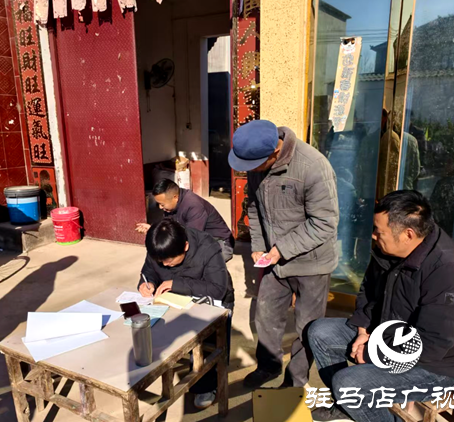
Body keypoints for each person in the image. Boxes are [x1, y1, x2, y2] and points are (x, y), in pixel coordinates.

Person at [308, 190, 454, 422]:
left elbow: (432, 344)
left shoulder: (449, 270)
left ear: (408, 234)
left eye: (379, 232)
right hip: (388, 334)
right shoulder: (389, 250)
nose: (373, 236)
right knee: (320, 332)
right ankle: (349, 406)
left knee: (348, 383)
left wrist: (372, 353)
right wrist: (363, 330)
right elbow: (369, 291)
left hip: (433, 367)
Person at [228, 119, 339, 388]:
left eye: (253, 165)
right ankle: (268, 367)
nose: (249, 171)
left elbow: (324, 223)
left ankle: (295, 381)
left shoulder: (313, 166)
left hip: (312, 264)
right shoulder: (257, 165)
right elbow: (254, 208)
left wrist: (281, 249)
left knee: (307, 327)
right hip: (275, 260)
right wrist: (258, 245)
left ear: (274, 153)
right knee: (265, 315)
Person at [137, 219, 234, 409]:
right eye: (160, 260)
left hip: (211, 301)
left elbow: (217, 289)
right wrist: (146, 283)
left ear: (186, 246)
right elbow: (149, 270)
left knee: (208, 344)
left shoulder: (207, 247)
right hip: (175, 301)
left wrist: (176, 284)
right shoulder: (159, 246)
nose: (165, 264)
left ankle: (207, 386)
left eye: (169, 260)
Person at [136, 179, 235, 262]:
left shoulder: (194, 206)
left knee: (191, 264)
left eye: (162, 204)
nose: (160, 207)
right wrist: (153, 229)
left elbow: (192, 238)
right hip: (199, 240)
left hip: (220, 244)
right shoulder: (171, 206)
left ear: (175, 197)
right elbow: (168, 226)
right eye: (158, 204)